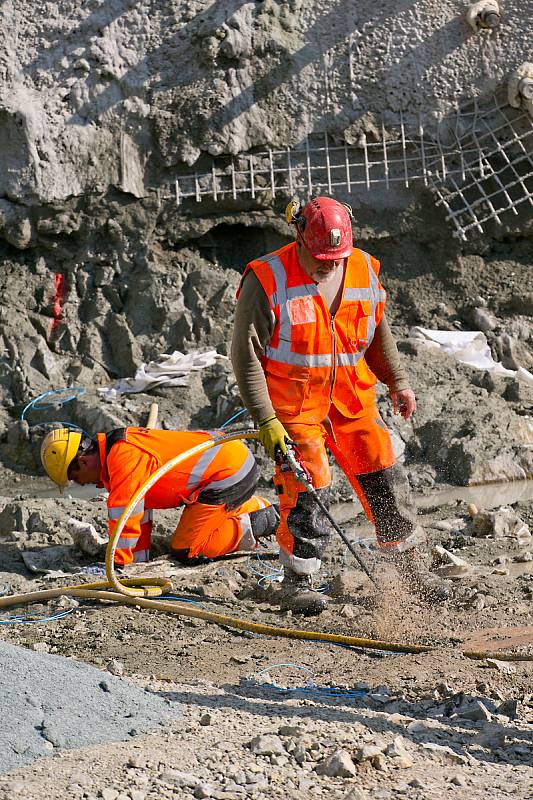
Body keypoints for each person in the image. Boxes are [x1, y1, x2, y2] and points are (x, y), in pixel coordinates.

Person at [231, 195, 450, 615]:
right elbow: (246, 354)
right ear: (298, 237)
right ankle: (298, 579)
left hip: (351, 398)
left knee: (384, 469)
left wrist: (397, 380)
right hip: (294, 408)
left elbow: (377, 329)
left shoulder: (364, 267)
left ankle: (409, 568)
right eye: (320, 260)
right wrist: (266, 419)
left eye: (337, 259)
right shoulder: (267, 278)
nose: (329, 266)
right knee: (307, 483)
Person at [40, 426, 278, 566]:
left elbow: (125, 513)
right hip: (227, 463)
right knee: (186, 540)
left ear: (82, 461)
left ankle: (266, 519)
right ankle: (251, 507)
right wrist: (136, 561)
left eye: (76, 478)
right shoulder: (117, 453)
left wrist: (118, 565)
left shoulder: (122, 458)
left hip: (229, 473)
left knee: (188, 550)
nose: (82, 484)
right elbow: (138, 511)